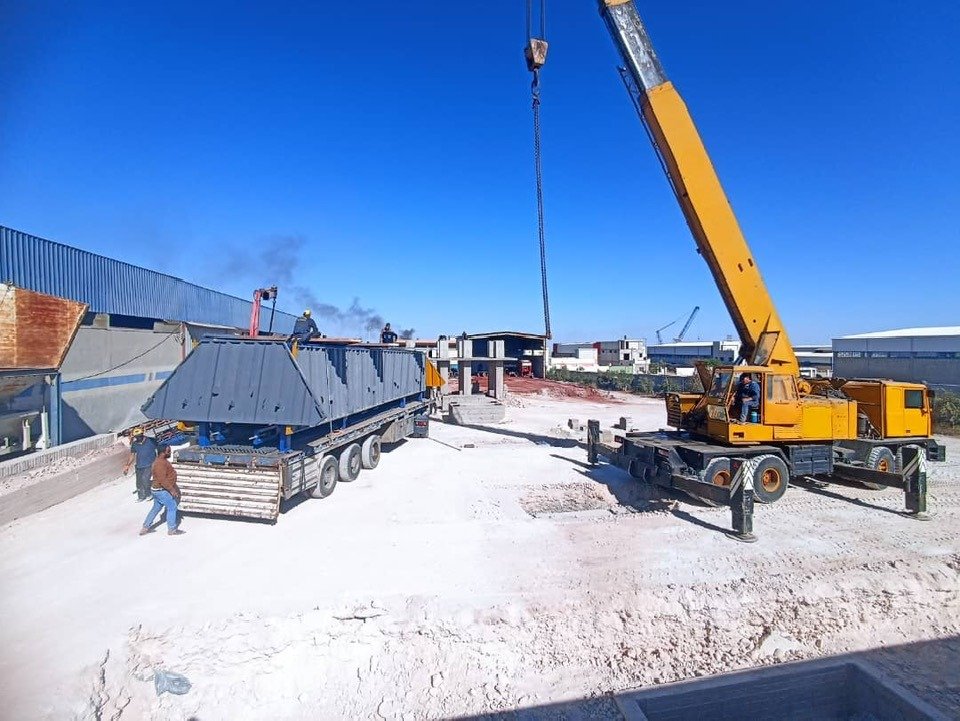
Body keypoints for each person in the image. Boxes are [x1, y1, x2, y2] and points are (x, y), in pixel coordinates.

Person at [140, 445, 185, 536]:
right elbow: (162, 479)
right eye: (168, 451)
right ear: (163, 452)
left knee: (156, 508)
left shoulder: (161, 461)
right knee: (172, 507)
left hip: (157, 490)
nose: (170, 453)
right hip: (161, 491)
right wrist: (172, 490)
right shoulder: (160, 464)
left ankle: (145, 527)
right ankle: (172, 529)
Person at [123, 427, 158, 502]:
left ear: (142, 434)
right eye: (136, 437)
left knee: (145, 479)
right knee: (139, 482)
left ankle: (149, 494)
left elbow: (158, 449)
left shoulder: (151, 441)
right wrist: (127, 465)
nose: (138, 438)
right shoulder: (135, 444)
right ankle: (141, 497)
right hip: (139, 465)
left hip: (150, 464)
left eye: (139, 436)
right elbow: (132, 455)